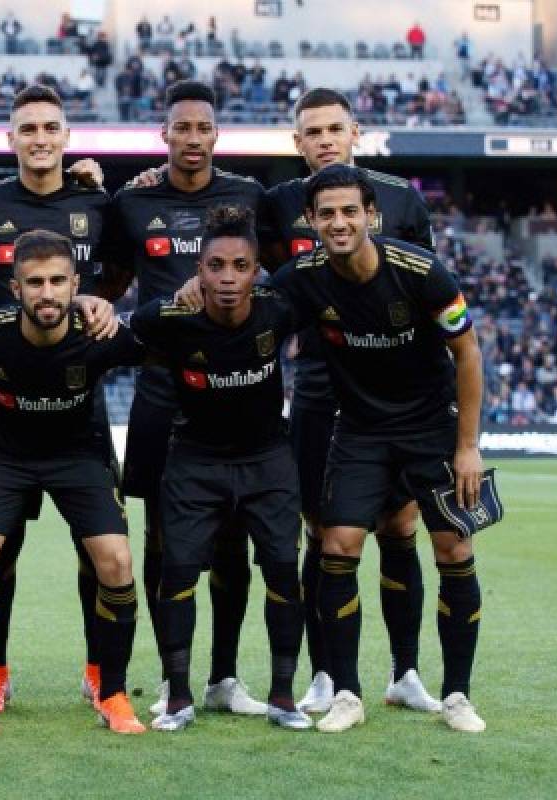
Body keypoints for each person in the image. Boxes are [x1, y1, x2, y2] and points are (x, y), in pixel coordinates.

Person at [270, 165, 488, 734]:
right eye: (326, 214)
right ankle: (347, 693)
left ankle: (458, 695)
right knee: (337, 544)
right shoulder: (303, 277)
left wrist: (468, 446)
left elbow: (468, 352)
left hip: (431, 429)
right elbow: (248, 310)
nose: (339, 222)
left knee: (454, 549)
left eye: (350, 211)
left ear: (371, 215)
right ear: (311, 221)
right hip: (360, 431)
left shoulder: (422, 272)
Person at [261, 88, 439, 715]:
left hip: (393, 392)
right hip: (317, 384)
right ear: (297, 143)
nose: (325, 140)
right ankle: (324, 673)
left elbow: (429, 295)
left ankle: (404, 671)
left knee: (400, 526)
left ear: (355, 132)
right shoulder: (277, 204)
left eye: (335, 128)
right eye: (312, 132)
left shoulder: (401, 199)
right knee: (321, 532)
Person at [0, 83, 125, 709]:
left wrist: (100, 302)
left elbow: (121, 268)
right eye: (29, 129)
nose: (41, 138)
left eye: (51, 128)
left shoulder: (97, 201)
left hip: (81, 402)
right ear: (11, 139)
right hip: (7, 401)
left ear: (67, 136)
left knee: (96, 551)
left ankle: (100, 669)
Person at [111, 80, 273, 720]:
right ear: (165, 134)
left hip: (234, 392)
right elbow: (111, 281)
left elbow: (276, 272)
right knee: (161, 542)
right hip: (161, 391)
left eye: (203, 127)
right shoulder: (133, 200)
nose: (193, 138)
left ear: (216, 134)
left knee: (232, 541)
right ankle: (170, 676)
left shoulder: (249, 196)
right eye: (182, 127)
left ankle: (224, 677)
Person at [0, 230, 144, 737]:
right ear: (15, 288)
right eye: (34, 282)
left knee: (117, 561)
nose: (47, 292)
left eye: (58, 281)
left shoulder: (99, 333)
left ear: (76, 285)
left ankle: (113, 692)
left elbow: (173, 336)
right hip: (4, 458)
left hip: (78, 457)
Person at [131, 205, 310, 733]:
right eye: (216, 266)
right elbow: (123, 333)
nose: (228, 278)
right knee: (178, 572)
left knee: (283, 569)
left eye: (240, 266)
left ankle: (283, 697)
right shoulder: (167, 317)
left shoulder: (280, 308)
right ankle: (178, 698)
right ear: (199, 270)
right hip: (195, 459)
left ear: (257, 270)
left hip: (267, 459)